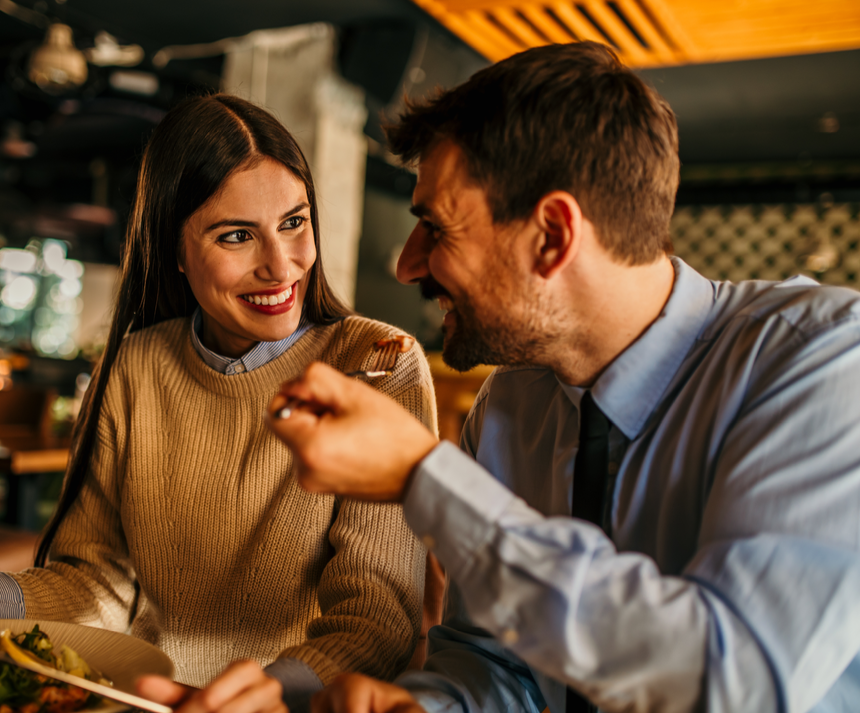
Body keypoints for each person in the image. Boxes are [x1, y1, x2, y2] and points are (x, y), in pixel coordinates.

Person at [266, 42, 860, 713]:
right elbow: (496, 657)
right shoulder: (509, 403)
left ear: (552, 235)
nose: (407, 265)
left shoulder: (825, 358)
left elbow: (735, 680)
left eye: (435, 228)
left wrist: (421, 478)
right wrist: (431, 706)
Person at [0, 94, 435, 713]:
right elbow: (99, 582)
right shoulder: (136, 363)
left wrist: (267, 694)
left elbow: (375, 620)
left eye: (294, 222)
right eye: (236, 236)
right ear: (173, 248)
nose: (281, 266)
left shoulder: (380, 361)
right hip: (127, 700)